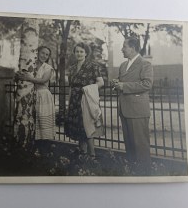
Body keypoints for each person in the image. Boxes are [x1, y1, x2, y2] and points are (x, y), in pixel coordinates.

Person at [111, 37, 153, 175]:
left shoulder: (145, 64)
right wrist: (117, 83)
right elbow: (124, 83)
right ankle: (133, 173)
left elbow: (147, 84)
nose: (122, 49)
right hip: (125, 109)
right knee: (129, 145)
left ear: (133, 48)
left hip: (138, 111)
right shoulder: (123, 65)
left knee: (140, 146)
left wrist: (124, 85)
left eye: (124, 46)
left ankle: (144, 174)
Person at [65, 42, 104, 160]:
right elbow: (71, 87)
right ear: (74, 53)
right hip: (74, 100)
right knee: (78, 125)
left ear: (86, 53)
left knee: (88, 125)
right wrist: (69, 102)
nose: (79, 54)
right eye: (77, 51)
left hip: (86, 99)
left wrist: (88, 88)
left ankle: (92, 154)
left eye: (81, 51)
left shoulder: (93, 66)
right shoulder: (71, 68)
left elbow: (101, 82)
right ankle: (82, 151)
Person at [15, 46, 55, 153]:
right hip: (32, 94)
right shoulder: (31, 64)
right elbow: (22, 75)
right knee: (32, 120)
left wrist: (28, 78)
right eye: (42, 53)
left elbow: (43, 80)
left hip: (43, 95)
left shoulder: (48, 68)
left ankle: (45, 149)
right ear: (38, 53)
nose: (44, 56)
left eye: (47, 54)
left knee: (43, 121)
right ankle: (33, 147)